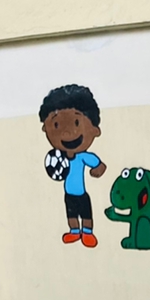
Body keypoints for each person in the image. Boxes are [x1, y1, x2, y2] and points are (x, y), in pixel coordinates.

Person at [40, 83, 106, 247]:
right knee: (71, 213)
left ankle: (87, 232)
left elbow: (98, 164)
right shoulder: (58, 158)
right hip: (68, 194)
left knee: (85, 213)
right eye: (56, 125)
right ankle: (75, 231)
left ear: (95, 129)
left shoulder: (82, 156)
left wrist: (98, 169)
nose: (67, 133)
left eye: (77, 122)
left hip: (81, 193)